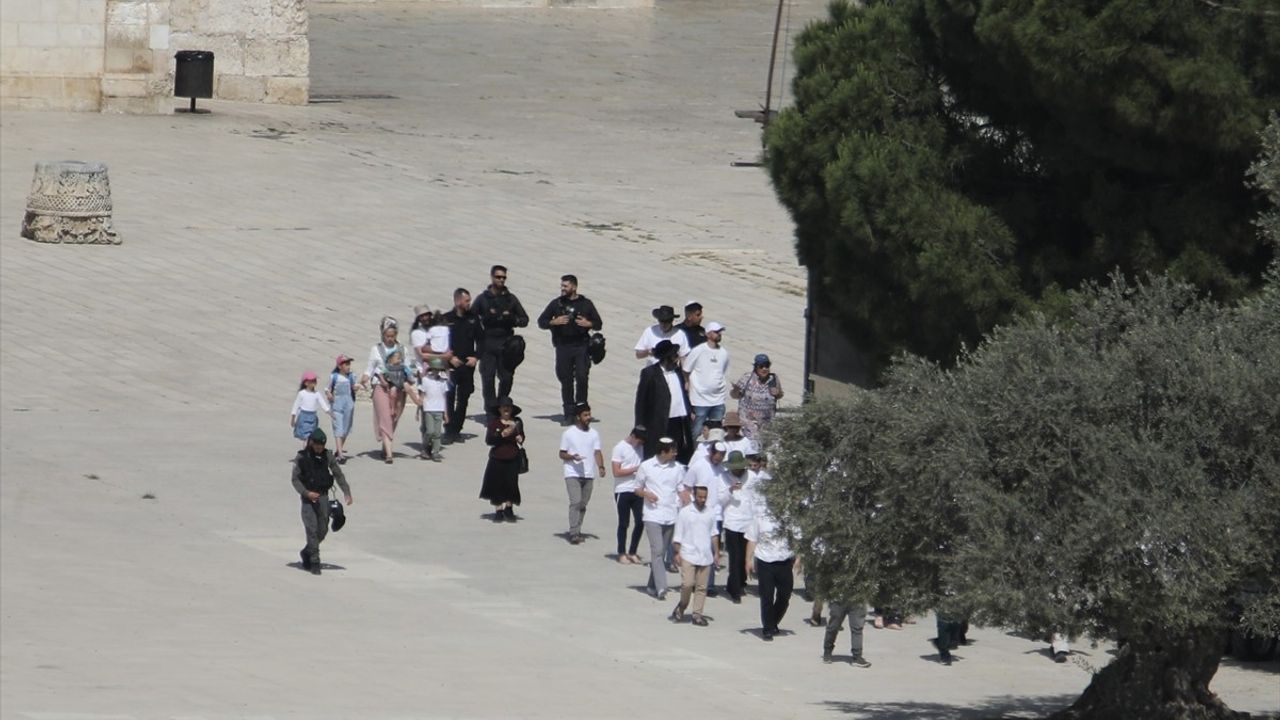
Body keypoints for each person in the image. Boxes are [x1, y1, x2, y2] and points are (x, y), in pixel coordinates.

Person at [536, 274, 603, 422]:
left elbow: (598, 323)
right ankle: (569, 413)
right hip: (563, 346)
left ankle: (582, 410)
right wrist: (554, 322)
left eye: (565, 286)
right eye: (562, 286)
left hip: (581, 345)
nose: (563, 288)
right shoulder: (556, 304)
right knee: (565, 379)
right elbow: (541, 321)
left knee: (582, 376)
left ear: (574, 287)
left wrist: (589, 324)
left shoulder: (586, 304)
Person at [291, 429, 352, 576]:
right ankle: (315, 562)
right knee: (312, 529)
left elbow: (337, 473)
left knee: (322, 530)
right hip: (308, 499)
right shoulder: (302, 457)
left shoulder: (327, 456)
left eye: (321, 445)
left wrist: (346, 491)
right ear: (311, 443)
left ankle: (307, 551)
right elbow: (295, 479)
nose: (319, 448)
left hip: (323, 498)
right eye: (317, 445)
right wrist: (306, 493)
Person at [473, 265, 529, 416]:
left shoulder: (511, 299)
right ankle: (491, 411)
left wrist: (512, 318)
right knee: (488, 378)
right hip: (488, 342)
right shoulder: (483, 299)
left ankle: (502, 405)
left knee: (506, 378)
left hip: (506, 343)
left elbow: (524, 319)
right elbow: (471, 317)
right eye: (498, 277)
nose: (501, 280)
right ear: (492, 277)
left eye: (503, 277)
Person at [682, 439, 732, 597]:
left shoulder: (723, 469)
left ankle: (708, 585)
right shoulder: (698, 465)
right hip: (699, 512)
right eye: (717, 456)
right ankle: (693, 581)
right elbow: (686, 487)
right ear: (711, 452)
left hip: (717, 514)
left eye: (722, 456)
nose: (719, 459)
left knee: (711, 549)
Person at [636, 438, 685, 600]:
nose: (675, 454)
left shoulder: (677, 468)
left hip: (671, 515)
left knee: (662, 553)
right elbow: (637, 488)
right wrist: (646, 494)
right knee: (657, 551)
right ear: (663, 452)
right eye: (672, 451)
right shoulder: (646, 466)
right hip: (652, 515)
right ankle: (662, 587)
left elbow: (681, 489)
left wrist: (687, 501)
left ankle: (652, 585)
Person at [360, 316, 412, 463]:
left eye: (392, 336)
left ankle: (385, 444)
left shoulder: (402, 350)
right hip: (380, 386)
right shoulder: (376, 349)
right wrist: (364, 378)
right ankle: (389, 454)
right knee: (385, 417)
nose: (389, 339)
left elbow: (408, 367)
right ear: (382, 334)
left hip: (399, 387)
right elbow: (370, 368)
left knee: (394, 417)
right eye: (387, 336)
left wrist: (412, 378)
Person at [634, 339, 694, 463]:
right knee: (660, 450)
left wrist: (690, 409)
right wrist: (640, 425)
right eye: (674, 355)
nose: (677, 358)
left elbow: (683, 393)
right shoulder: (650, 373)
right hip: (660, 421)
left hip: (679, 419)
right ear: (667, 358)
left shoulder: (678, 371)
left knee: (679, 450)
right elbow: (641, 401)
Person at [747, 494, 796, 641]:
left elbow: (797, 538)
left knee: (785, 596)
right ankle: (768, 628)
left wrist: (799, 558)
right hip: (765, 561)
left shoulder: (789, 517)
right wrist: (748, 560)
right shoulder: (760, 516)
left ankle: (773, 621)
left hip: (784, 561)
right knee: (767, 596)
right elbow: (752, 539)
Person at [669, 484, 719, 627]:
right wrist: (677, 552)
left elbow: (714, 534)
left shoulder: (710, 513)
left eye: (705, 497)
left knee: (701, 587)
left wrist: (716, 552)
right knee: (687, 584)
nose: (702, 500)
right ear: (694, 496)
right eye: (700, 497)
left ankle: (697, 614)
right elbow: (678, 535)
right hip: (688, 553)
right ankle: (682, 605)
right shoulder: (685, 512)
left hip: (705, 555)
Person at [559, 402, 605, 544]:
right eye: (585, 415)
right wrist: (572, 457)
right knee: (576, 502)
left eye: (589, 414)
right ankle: (573, 532)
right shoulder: (569, 434)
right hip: (572, 472)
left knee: (583, 504)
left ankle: (578, 530)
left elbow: (597, 452)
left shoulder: (594, 434)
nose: (588, 417)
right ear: (578, 417)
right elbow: (561, 453)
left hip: (588, 474)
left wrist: (601, 466)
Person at [443, 288, 480, 442]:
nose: (469, 303)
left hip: (467, 365)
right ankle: (449, 429)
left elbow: (482, 340)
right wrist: (450, 357)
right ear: (457, 301)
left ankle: (457, 428)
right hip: (451, 365)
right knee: (449, 397)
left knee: (464, 397)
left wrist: (476, 357)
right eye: (466, 301)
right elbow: (439, 342)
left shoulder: (473, 319)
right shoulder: (446, 319)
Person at [479, 396, 524, 522]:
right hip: (497, 457)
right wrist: (501, 435)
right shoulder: (495, 423)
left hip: (512, 456)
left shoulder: (517, 422)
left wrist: (520, 438)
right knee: (496, 484)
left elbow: (522, 436)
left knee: (511, 484)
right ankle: (498, 510)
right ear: (499, 409)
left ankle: (509, 508)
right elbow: (489, 440)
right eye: (504, 407)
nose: (506, 410)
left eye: (508, 407)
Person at [683, 321, 730, 439]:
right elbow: (686, 369)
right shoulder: (698, 350)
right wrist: (687, 382)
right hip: (700, 399)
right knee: (696, 430)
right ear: (708, 334)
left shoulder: (723, 353)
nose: (719, 334)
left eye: (720, 332)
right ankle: (691, 449)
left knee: (716, 432)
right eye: (716, 332)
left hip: (718, 399)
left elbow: (722, 371)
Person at [720, 450, 755, 603]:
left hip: (748, 522)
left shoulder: (752, 477)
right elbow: (719, 500)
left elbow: (756, 497)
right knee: (734, 557)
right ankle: (735, 591)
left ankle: (739, 583)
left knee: (744, 557)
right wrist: (730, 490)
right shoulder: (723, 478)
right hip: (732, 522)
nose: (737, 471)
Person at [611, 425, 646, 564]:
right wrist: (635, 469)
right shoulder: (619, 448)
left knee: (640, 521)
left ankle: (633, 551)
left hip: (637, 489)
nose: (640, 443)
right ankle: (621, 552)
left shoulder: (641, 448)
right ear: (633, 436)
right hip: (623, 489)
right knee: (624, 523)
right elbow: (616, 472)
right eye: (639, 440)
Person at [731, 354, 784, 440]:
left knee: (766, 443)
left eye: (767, 366)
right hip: (748, 423)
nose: (764, 369)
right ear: (756, 367)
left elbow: (780, 395)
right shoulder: (747, 378)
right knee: (752, 445)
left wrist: (778, 393)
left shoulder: (773, 378)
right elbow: (734, 396)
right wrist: (736, 390)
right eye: (761, 366)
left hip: (767, 423)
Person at [415, 358, 450, 462]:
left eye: (438, 370)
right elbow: (422, 396)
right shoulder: (426, 380)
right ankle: (425, 446)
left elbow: (444, 398)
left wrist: (446, 413)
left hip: (439, 409)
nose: (436, 371)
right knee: (430, 431)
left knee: (437, 433)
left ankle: (436, 452)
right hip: (428, 409)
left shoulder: (443, 382)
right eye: (434, 369)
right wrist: (417, 411)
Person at [823, 598, 873, 667]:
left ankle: (857, 656)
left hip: (858, 598)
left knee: (857, 628)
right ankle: (827, 651)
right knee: (833, 626)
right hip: (839, 598)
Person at [326, 355, 357, 463]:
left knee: (346, 428)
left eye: (349, 364)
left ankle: (339, 449)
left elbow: (354, 387)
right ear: (339, 366)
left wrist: (356, 387)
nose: (348, 366)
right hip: (336, 405)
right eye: (346, 364)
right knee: (338, 428)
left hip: (349, 404)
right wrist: (329, 394)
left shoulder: (352, 376)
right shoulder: (334, 377)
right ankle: (340, 454)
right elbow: (327, 389)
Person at [290, 371, 331, 444]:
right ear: (306, 383)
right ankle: (306, 450)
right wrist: (293, 419)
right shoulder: (302, 393)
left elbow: (323, 404)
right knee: (306, 437)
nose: (314, 382)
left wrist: (330, 413)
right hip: (303, 417)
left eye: (315, 381)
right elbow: (295, 406)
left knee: (311, 437)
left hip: (313, 417)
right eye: (312, 381)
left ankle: (307, 449)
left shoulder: (317, 394)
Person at [410, 304, 452, 369]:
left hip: (441, 367)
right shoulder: (416, 333)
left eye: (426, 315)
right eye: (422, 316)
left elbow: (447, 348)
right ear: (418, 319)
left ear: (430, 315)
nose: (425, 318)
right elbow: (423, 355)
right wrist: (444, 356)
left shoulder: (437, 329)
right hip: (425, 369)